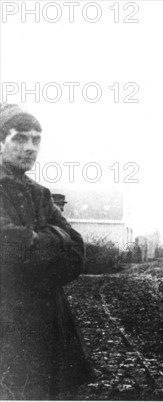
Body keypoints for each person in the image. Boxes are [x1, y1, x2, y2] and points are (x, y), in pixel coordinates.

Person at [0, 104, 91, 399]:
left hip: (49, 325)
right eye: (20, 138)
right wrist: (54, 241)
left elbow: (77, 252)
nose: (30, 148)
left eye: (36, 140)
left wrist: (36, 241)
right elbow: (9, 248)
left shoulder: (39, 193)